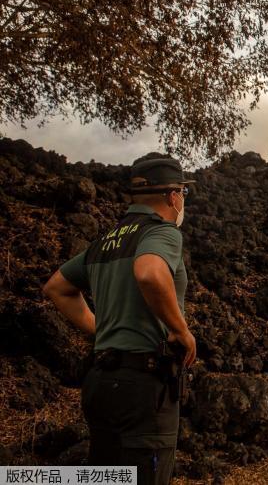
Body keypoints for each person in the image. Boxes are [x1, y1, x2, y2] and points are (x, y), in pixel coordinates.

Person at [42, 153, 197, 484]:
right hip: (143, 386)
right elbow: (150, 274)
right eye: (183, 191)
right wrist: (180, 330)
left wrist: (100, 330)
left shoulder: (104, 242)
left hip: (101, 382)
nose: (183, 199)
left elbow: (57, 288)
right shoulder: (162, 233)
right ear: (173, 195)